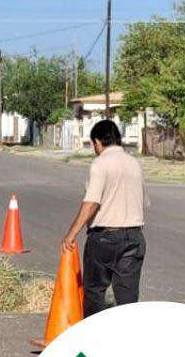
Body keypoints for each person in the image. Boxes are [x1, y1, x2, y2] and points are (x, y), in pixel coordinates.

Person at [60, 119, 148, 316]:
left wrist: (71, 234)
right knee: (128, 298)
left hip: (105, 238)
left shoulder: (100, 164)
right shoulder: (134, 163)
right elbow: (142, 201)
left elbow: (91, 202)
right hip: (134, 237)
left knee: (94, 292)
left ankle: (94, 331)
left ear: (97, 142)